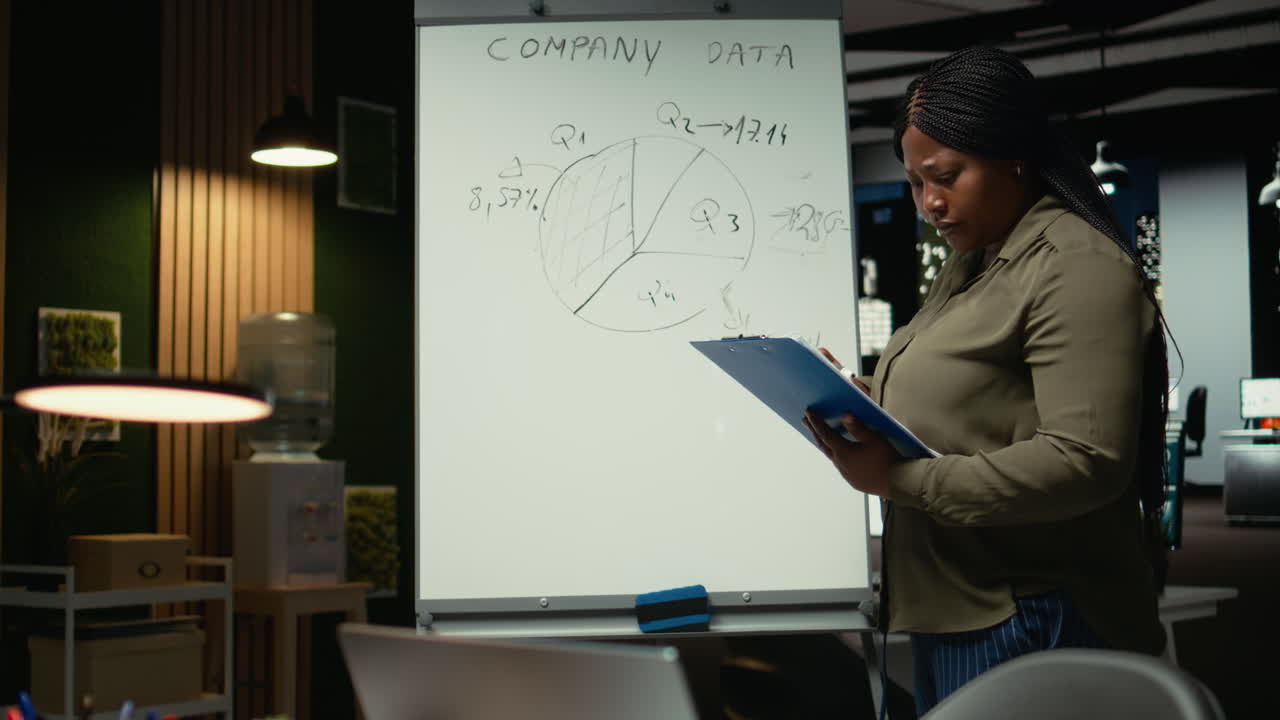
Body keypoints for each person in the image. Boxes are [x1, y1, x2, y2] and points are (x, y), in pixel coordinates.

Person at [801, 46, 1171, 715]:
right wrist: (858, 396)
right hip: (962, 605)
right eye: (915, 184)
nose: (930, 204)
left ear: (1012, 156)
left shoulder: (1073, 263)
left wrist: (897, 481)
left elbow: (1086, 462)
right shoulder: (976, 261)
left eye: (946, 177)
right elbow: (969, 397)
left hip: (1026, 612)